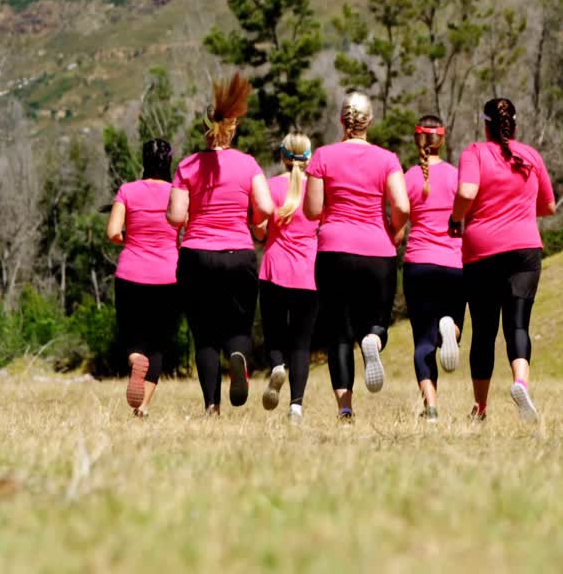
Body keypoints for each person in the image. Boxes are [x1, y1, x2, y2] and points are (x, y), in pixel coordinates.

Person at [167, 72, 275, 415]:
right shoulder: (247, 165)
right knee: (238, 325)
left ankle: (212, 406)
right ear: (232, 129)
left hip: (197, 254)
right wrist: (253, 218)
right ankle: (239, 360)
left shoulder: (187, 166)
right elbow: (267, 208)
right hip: (238, 254)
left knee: (205, 333)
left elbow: (175, 215)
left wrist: (188, 215)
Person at [303, 92, 410, 420]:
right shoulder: (387, 159)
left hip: (334, 250)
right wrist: (394, 229)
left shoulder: (322, 156)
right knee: (376, 321)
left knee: (338, 333)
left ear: (341, 121)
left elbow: (312, 210)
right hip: (378, 250)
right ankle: (374, 342)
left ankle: (345, 407)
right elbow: (404, 206)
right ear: (370, 122)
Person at [449, 98, 556, 422]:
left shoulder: (475, 153)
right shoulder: (531, 156)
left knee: (483, 331)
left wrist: (456, 219)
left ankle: (480, 409)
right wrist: (520, 212)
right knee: (518, 324)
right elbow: (549, 207)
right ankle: (520, 382)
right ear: (515, 124)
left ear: (486, 125)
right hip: (525, 249)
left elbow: (467, 192)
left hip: (483, 251)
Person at [396, 115, 464, 422]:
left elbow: (398, 224)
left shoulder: (408, 177)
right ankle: (450, 330)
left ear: (417, 140)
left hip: (418, 264)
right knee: (453, 327)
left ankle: (431, 407)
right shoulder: (456, 176)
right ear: (442, 140)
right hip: (453, 263)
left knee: (422, 342)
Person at [106, 139, 180, 417]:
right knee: (158, 343)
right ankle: (143, 407)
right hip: (168, 276)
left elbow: (113, 232)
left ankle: (135, 358)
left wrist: (133, 239)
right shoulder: (177, 193)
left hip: (130, 274)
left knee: (132, 336)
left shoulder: (127, 190)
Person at [254, 132, 319, 424]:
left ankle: (277, 365)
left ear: (282, 156)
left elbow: (259, 230)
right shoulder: (319, 190)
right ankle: (296, 408)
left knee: (274, 333)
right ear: (309, 158)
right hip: (309, 273)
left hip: (273, 269)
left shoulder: (269, 187)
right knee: (302, 344)